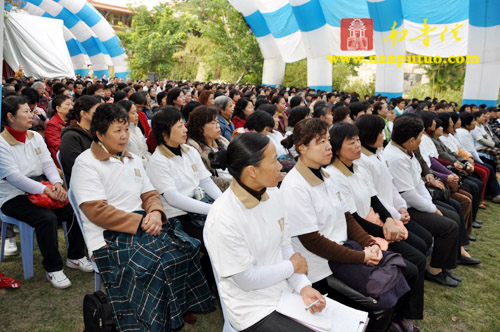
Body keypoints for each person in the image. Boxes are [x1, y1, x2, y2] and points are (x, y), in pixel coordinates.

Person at [70, 103, 214, 330]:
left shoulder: (133, 159)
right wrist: (141, 222)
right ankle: (153, 320)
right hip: (108, 235)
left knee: (187, 247)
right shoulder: (86, 163)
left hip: (144, 223)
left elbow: (150, 194)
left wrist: (156, 213)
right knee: (156, 262)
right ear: (99, 134)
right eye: (117, 131)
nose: (124, 136)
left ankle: (174, 308)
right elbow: (96, 211)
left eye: (126, 129)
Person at [279, 119, 413, 331]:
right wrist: (361, 256)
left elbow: (347, 218)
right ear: (302, 148)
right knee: (378, 304)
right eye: (320, 142)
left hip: (345, 250)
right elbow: (313, 241)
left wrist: (369, 242)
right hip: (322, 267)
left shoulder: (326, 176)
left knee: (397, 277)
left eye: (328, 140)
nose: (328, 146)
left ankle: (392, 324)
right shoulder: (295, 186)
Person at [205, 132, 326, 332]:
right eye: (274, 161)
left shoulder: (274, 195)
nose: (280, 166)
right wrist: (291, 267)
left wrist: (303, 286)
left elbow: (285, 248)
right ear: (252, 171)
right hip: (253, 308)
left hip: (284, 294)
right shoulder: (223, 217)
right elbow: (246, 279)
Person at [325, 121, 427, 328]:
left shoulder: (357, 168)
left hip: (377, 224)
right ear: (336, 149)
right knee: (411, 264)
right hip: (360, 233)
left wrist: (389, 221)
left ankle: (402, 314)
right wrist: (384, 231)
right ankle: (399, 316)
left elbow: (374, 199)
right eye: (351, 143)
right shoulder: (335, 177)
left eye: (358, 140)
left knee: (418, 252)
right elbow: (353, 219)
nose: (357, 146)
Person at [0, 96, 90, 289]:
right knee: (46, 219)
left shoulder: (35, 137)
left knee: (73, 208)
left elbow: (48, 163)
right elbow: (15, 178)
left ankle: (75, 256)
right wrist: (47, 190)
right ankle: (53, 268)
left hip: (42, 186)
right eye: (25, 111)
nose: (31, 115)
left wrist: (57, 184)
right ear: (10, 116)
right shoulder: (2, 144)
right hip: (13, 195)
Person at [146, 106, 223, 287]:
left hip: (201, 205)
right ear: (165, 132)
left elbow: (206, 181)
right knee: (215, 242)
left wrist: (222, 202)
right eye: (180, 126)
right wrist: (212, 209)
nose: (185, 130)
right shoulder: (158, 162)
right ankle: (204, 283)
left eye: (184, 125)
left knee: (228, 234)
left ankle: (209, 281)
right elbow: (173, 198)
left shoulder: (189, 151)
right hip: (179, 216)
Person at [383, 115, 461, 287]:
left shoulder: (406, 151)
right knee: (448, 226)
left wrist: (431, 207)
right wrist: (432, 209)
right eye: (419, 137)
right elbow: (409, 195)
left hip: (417, 203)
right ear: (410, 140)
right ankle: (435, 270)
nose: (421, 140)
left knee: (453, 216)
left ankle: (443, 266)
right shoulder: (396, 157)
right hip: (407, 209)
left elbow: (418, 183)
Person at [186, 105, 232, 191]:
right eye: (213, 123)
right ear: (200, 127)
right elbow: (207, 180)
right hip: (220, 189)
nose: (218, 126)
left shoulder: (222, 141)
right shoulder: (194, 148)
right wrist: (236, 184)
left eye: (218, 122)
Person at [59, 95, 100, 185]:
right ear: (84, 114)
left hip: (99, 177)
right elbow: (75, 167)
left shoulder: (97, 132)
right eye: (96, 112)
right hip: (83, 183)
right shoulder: (70, 136)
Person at [117, 100, 151, 167]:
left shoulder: (137, 129)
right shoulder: (122, 134)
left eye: (136, 112)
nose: (137, 115)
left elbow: (145, 152)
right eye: (133, 113)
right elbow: (131, 159)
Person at [45, 94, 73, 167]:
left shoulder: (71, 120)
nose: (71, 107)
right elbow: (58, 147)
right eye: (68, 104)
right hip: (61, 162)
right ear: (58, 108)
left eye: (71, 104)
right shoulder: (52, 124)